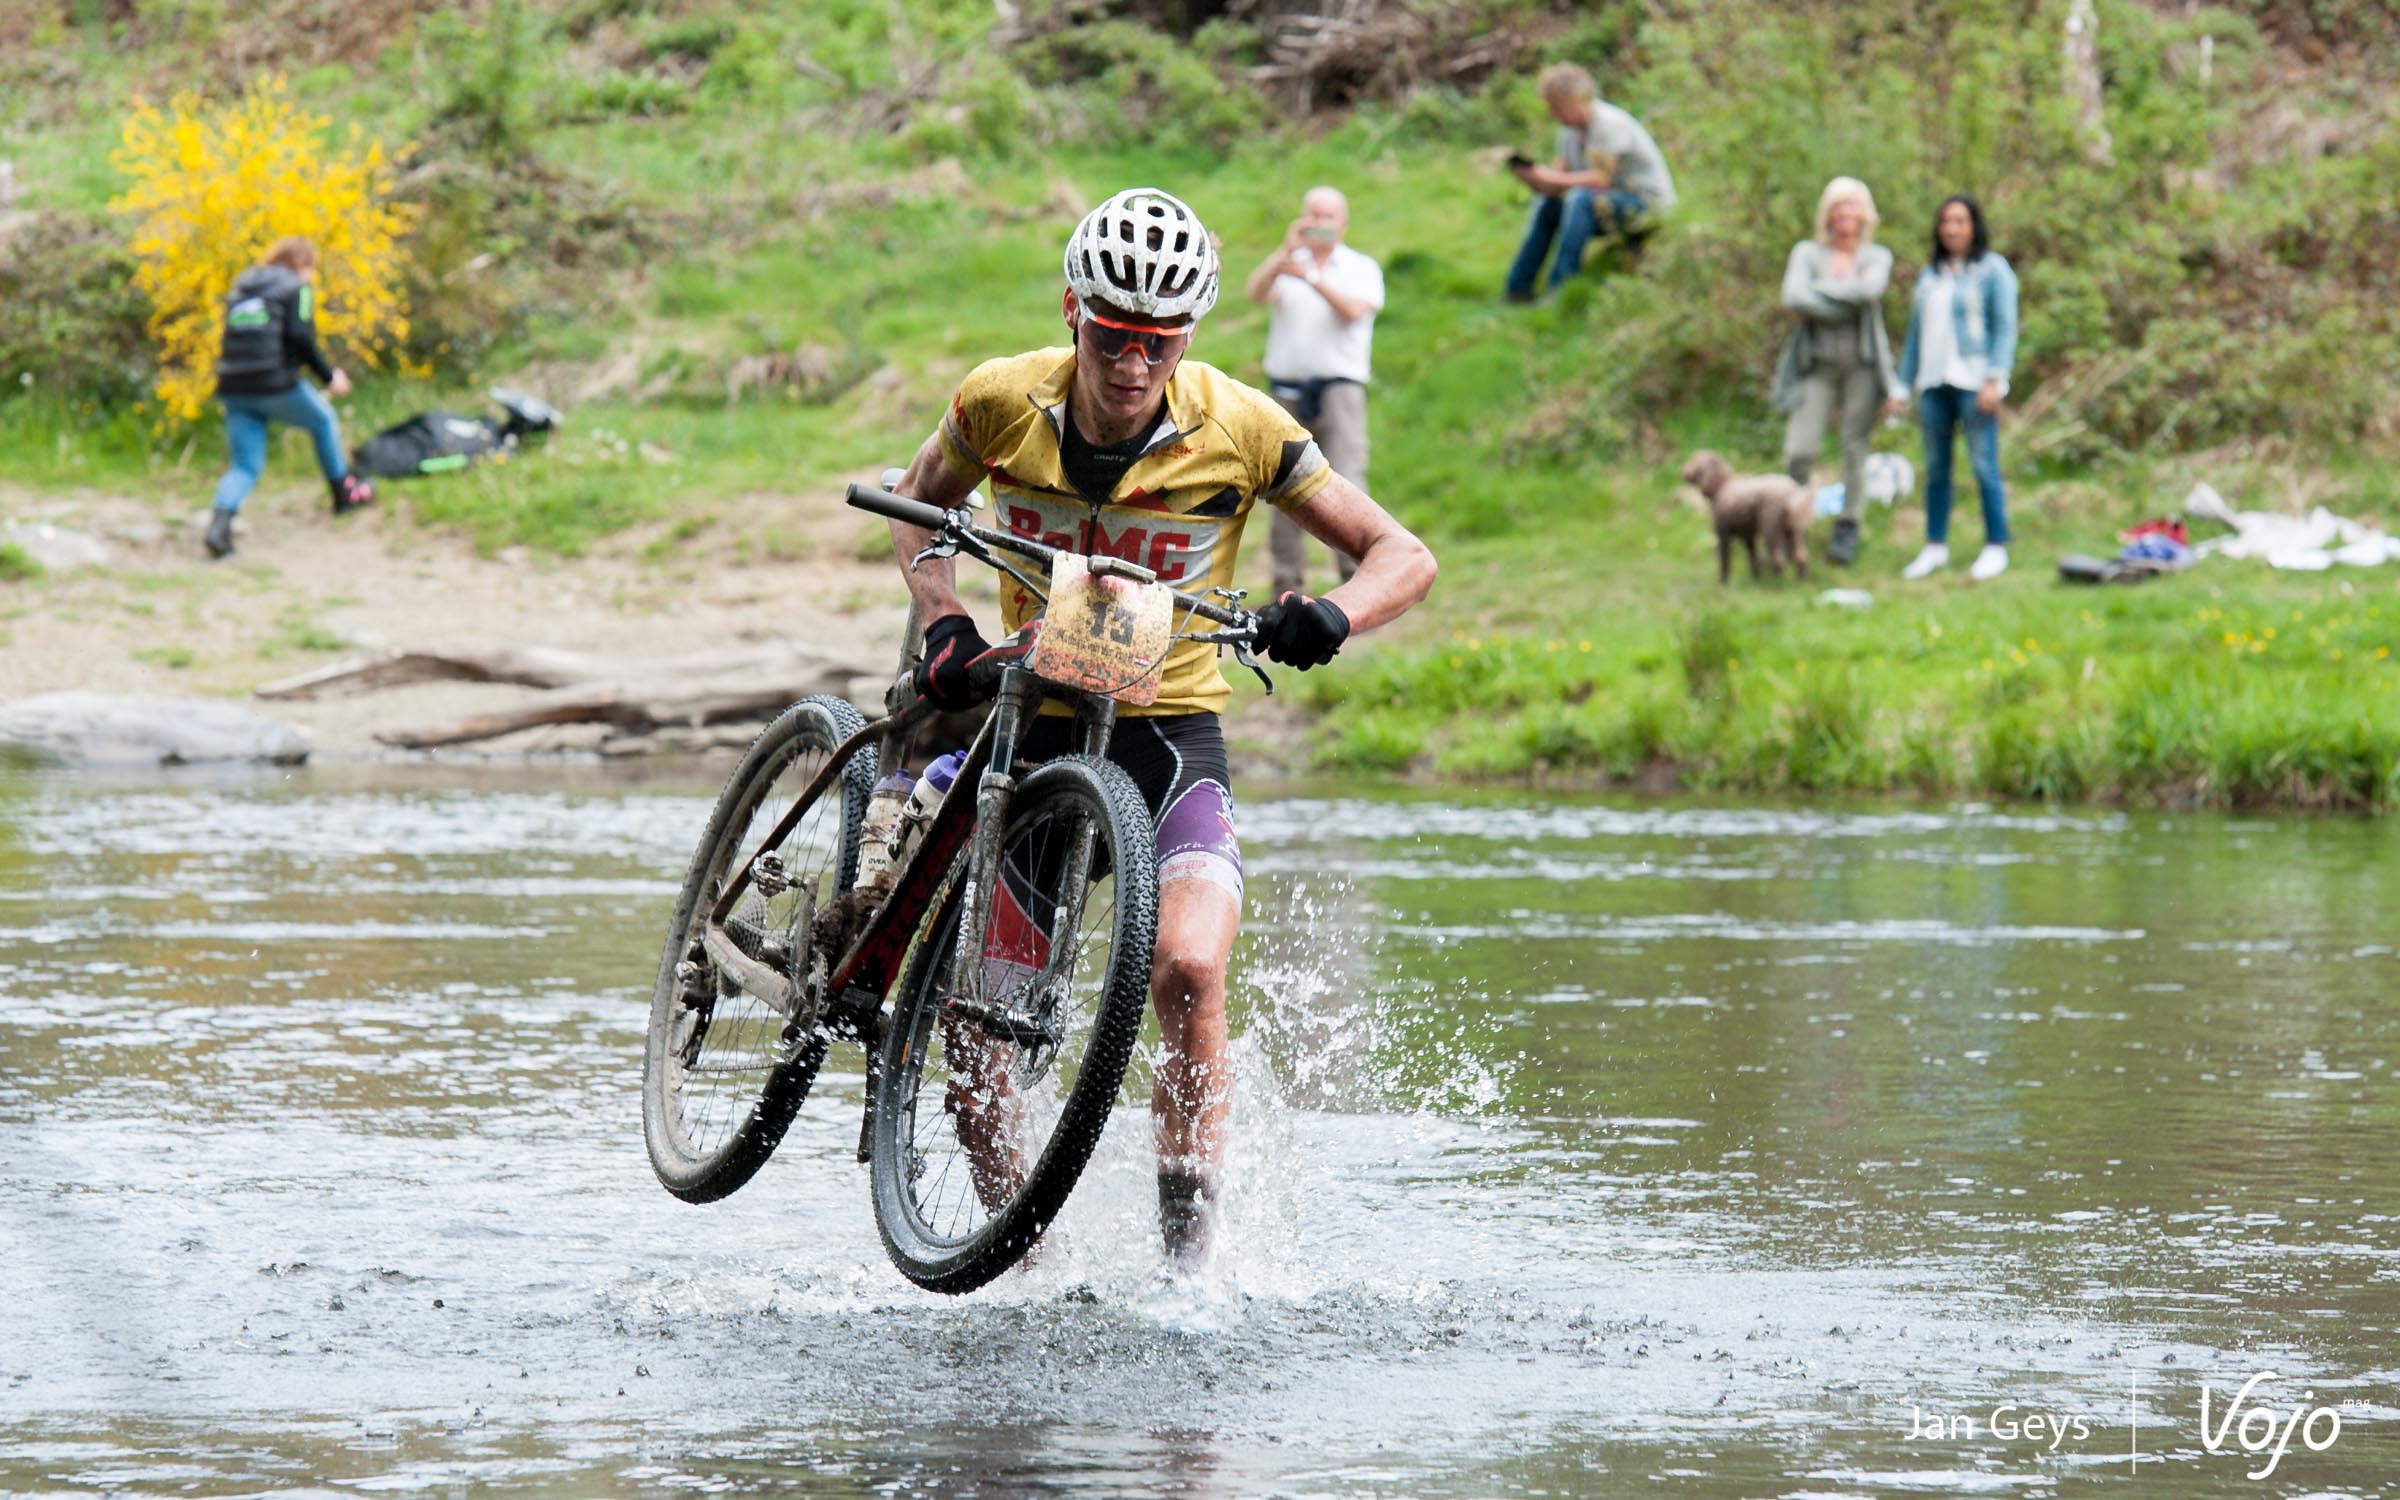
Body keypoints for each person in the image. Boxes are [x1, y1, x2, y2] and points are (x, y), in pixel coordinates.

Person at [881, 187, 1437, 1267]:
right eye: (1112, 334)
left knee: (1188, 970)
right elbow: (916, 507)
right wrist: (943, 618)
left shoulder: (1244, 427)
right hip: (1033, 728)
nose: (1132, 361)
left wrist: (1331, 612)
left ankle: (1188, 1264)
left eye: (1158, 340)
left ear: (1188, 335)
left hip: (1170, 728)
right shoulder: (999, 401)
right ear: (1072, 313)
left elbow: (1401, 555)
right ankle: (1021, 1270)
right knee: (975, 1020)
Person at [1243, 185, 1385, 598]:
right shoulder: (1287, 265)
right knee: (1281, 487)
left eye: (1328, 217)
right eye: (1313, 216)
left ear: (1342, 223)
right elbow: (1254, 293)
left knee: (1348, 482)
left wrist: (1313, 279)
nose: (1320, 225)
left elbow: (1354, 312)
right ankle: (1286, 586)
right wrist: (1284, 255)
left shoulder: (1360, 267)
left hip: (1340, 389)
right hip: (1286, 392)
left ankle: (1357, 581)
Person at [204, 236, 374, 559]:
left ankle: (219, 526)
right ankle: (343, 495)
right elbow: (300, 336)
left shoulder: (242, 286)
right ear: (302, 265)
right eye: (312, 270)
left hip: (233, 385)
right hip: (275, 383)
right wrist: (329, 378)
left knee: (245, 465)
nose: (311, 277)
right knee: (322, 420)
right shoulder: (297, 289)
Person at [1772, 177, 1905, 568]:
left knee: (1854, 446)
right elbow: (1793, 296)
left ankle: (1848, 523)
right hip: (1818, 367)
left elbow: (1870, 292)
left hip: (1863, 367)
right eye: (1838, 205)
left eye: (1853, 206)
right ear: (1827, 212)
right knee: (1800, 450)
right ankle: (1791, 518)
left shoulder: (1876, 256)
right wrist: (1845, 296)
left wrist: (1819, 294)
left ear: (1865, 214)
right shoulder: (1807, 252)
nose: (1845, 213)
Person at [1887, 194, 2019, 582]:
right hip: (1933, 383)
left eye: (1960, 221)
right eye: (1946, 221)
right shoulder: (1930, 277)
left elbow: (2004, 326)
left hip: (1974, 383)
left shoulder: (1993, 270)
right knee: (1936, 468)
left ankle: (1996, 545)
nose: (1953, 228)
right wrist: (1901, 386)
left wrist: (1996, 378)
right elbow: (1915, 337)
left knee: (1983, 465)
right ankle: (1934, 546)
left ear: (1974, 226)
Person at [1504, 63, 1676, 301]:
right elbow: (1556, 185)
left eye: (1557, 107)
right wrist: (1533, 178)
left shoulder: (1609, 123)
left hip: (1646, 206)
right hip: (1603, 206)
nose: (1553, 114)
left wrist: (1550, 176)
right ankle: (1518, 289)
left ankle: (1560, 291)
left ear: (1576, 99)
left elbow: (1600, 179)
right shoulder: (1569, 133)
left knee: (1579, 199)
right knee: (1548, 205)